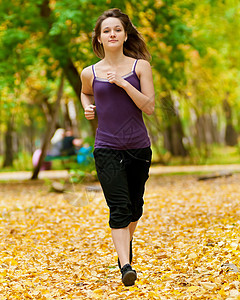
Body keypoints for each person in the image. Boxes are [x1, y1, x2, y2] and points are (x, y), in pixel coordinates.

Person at [81, 8, 155, 286]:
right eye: (106, 31)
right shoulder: (89, 72)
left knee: (135, 207)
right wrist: (88, 107)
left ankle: (125, 245)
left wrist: (124, 84)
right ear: (99, 39)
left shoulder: (140, 67)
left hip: (138, 147)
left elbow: (149, 107)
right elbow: (86, 91)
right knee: (120, 207)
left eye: (117, 30)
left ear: (125, 36)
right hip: (106, 147)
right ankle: (125, 266)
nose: (112, 34)